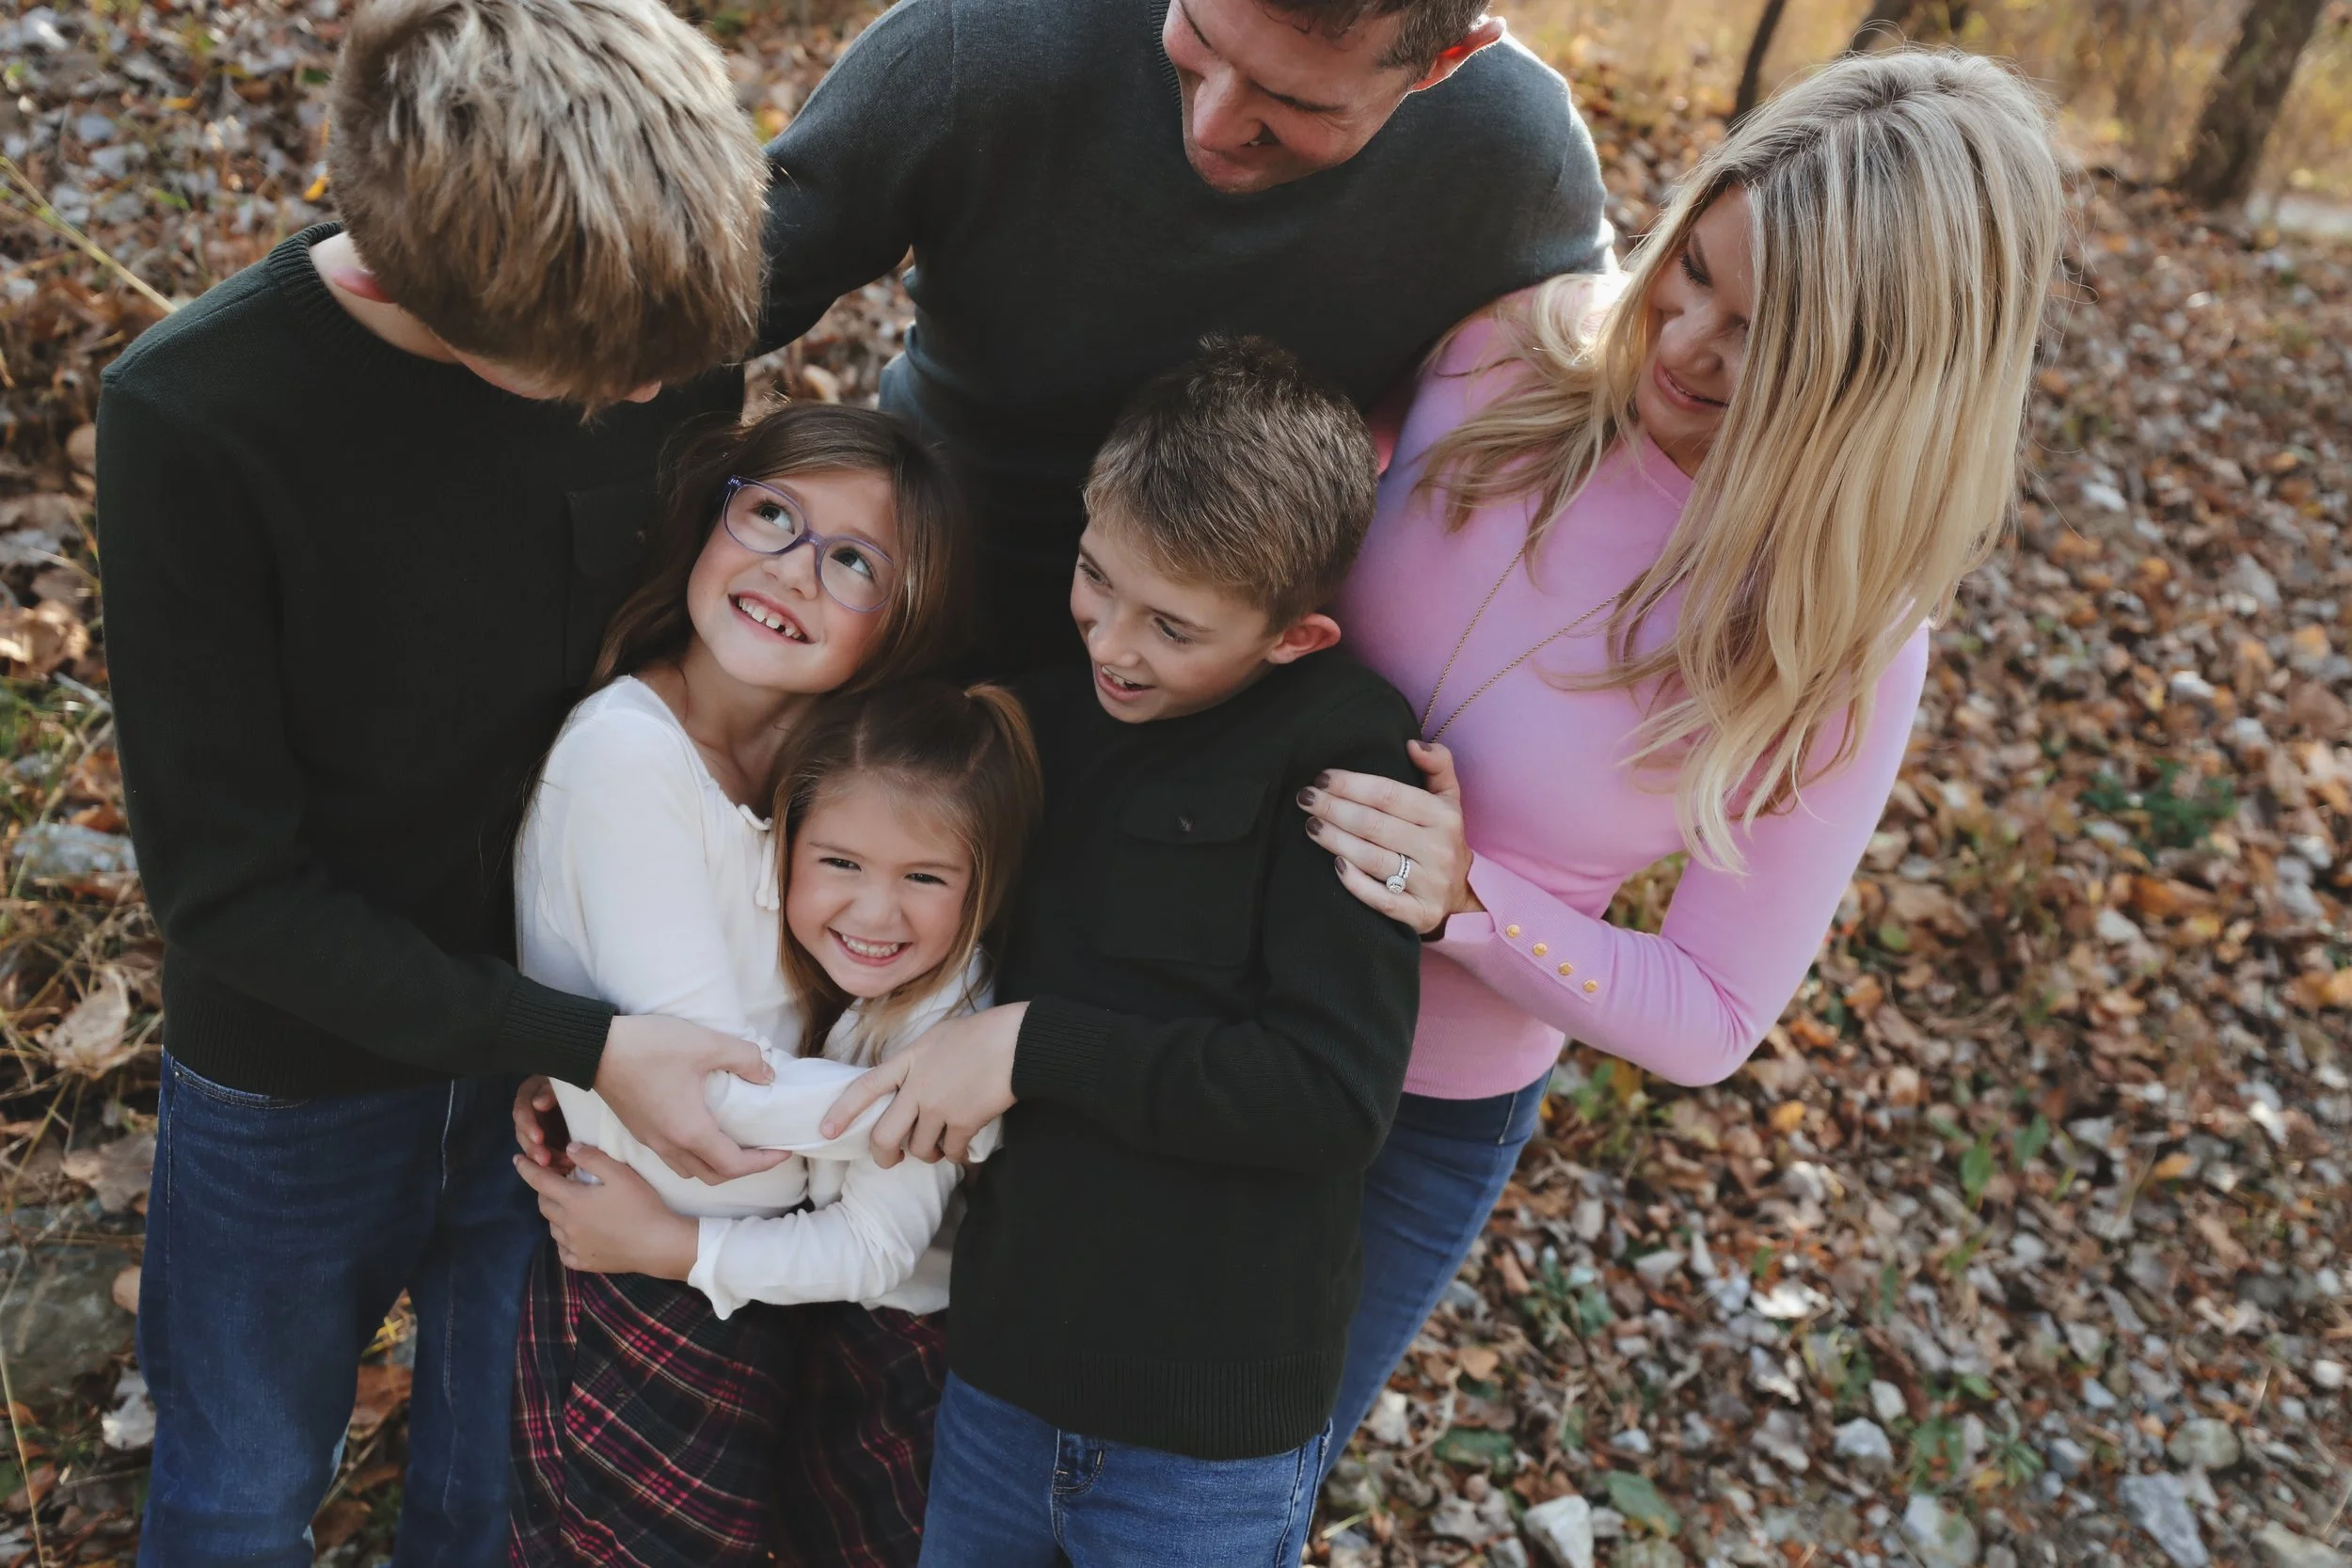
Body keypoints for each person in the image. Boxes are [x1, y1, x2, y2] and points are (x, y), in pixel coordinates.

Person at [1295, 47, 2069, 1461]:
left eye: (1765, 332)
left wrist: (1475, 901)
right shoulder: (1502, 350)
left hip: (1402, 1127)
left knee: (1209, 1507)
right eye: (1693, 270)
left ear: (1887, 377)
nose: (1686, 342)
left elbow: (1716, 1008)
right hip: (1170, 976)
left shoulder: (1839, 636)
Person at [92, 0, 780, 1558]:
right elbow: (226, 888)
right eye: (578, 381)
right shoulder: (196, 418)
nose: (631, 402)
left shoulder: (650, 326)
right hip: (299, 1072)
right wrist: (591, 1039)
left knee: (501, 1487)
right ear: (410, 274)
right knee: (240, 1483)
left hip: (575, 1039)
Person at [819, 338, 1421, 1565]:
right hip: (1001, 1374)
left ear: (1293, 637)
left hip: (1203, 1435)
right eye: (1099, 579)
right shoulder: (1033, 721)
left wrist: (1033, 1045)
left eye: (1174, 627)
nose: (1116, 643)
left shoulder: (1345, 752)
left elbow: (1327, 1092)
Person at [501, 408, 1027, 1565]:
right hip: (638, 1258)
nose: (793, 568)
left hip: (774, 1270)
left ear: (900, 626)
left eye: (853, 562)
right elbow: (713, 1101)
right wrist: (953, 1105)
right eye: (773, 514)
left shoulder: (833, 776)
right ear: (712, 515)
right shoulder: (627, 755)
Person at [759, 0, 1615, 673]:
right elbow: (697, 302)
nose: (1211, 124)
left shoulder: (1515, 160)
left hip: (1232, 669)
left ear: (1445, 62)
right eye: (1200, 39)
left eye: (1291, 99)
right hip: (911, 587)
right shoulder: (985, 36)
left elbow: (1604, 432)